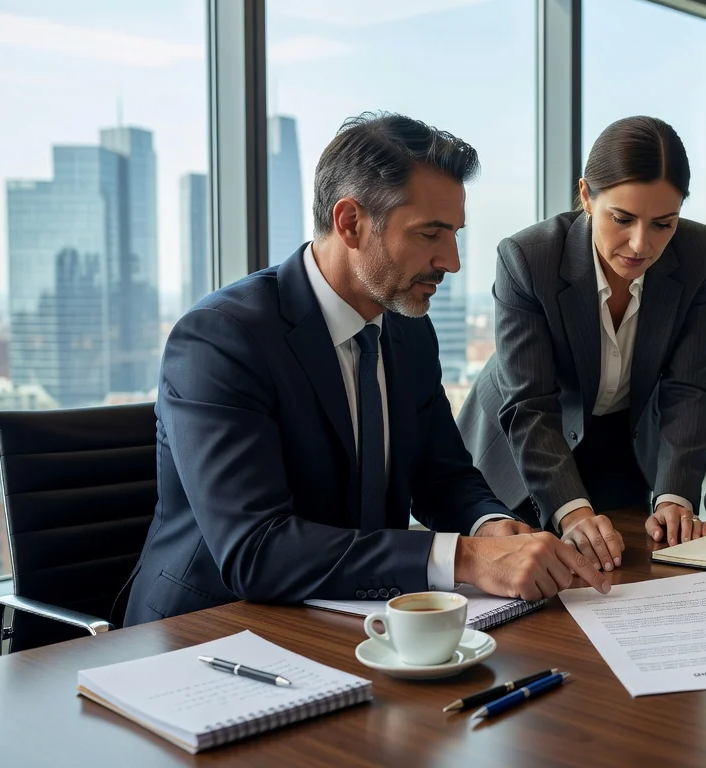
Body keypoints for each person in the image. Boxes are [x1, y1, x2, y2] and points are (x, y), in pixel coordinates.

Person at [125, 112, 608, 626]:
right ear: (350, 222)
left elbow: (440, 474)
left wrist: (489, 527)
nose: (451, 261)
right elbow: (256, 549)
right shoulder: (220, 340)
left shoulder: (406, 328)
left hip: (348, 620)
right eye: (430, 235)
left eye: (455, 235)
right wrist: (465, 558)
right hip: (206, 632)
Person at [458, 116, 706, 572]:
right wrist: (572, 509)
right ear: (586, 196)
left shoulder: (698, 252)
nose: (642, 244)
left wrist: (675, 495)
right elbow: (530, 405)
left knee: (629, 578)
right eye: (622, 218)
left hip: (623, 445)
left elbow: (689, 389)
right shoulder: (528, 258)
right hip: (524, 450)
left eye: (663, 224)